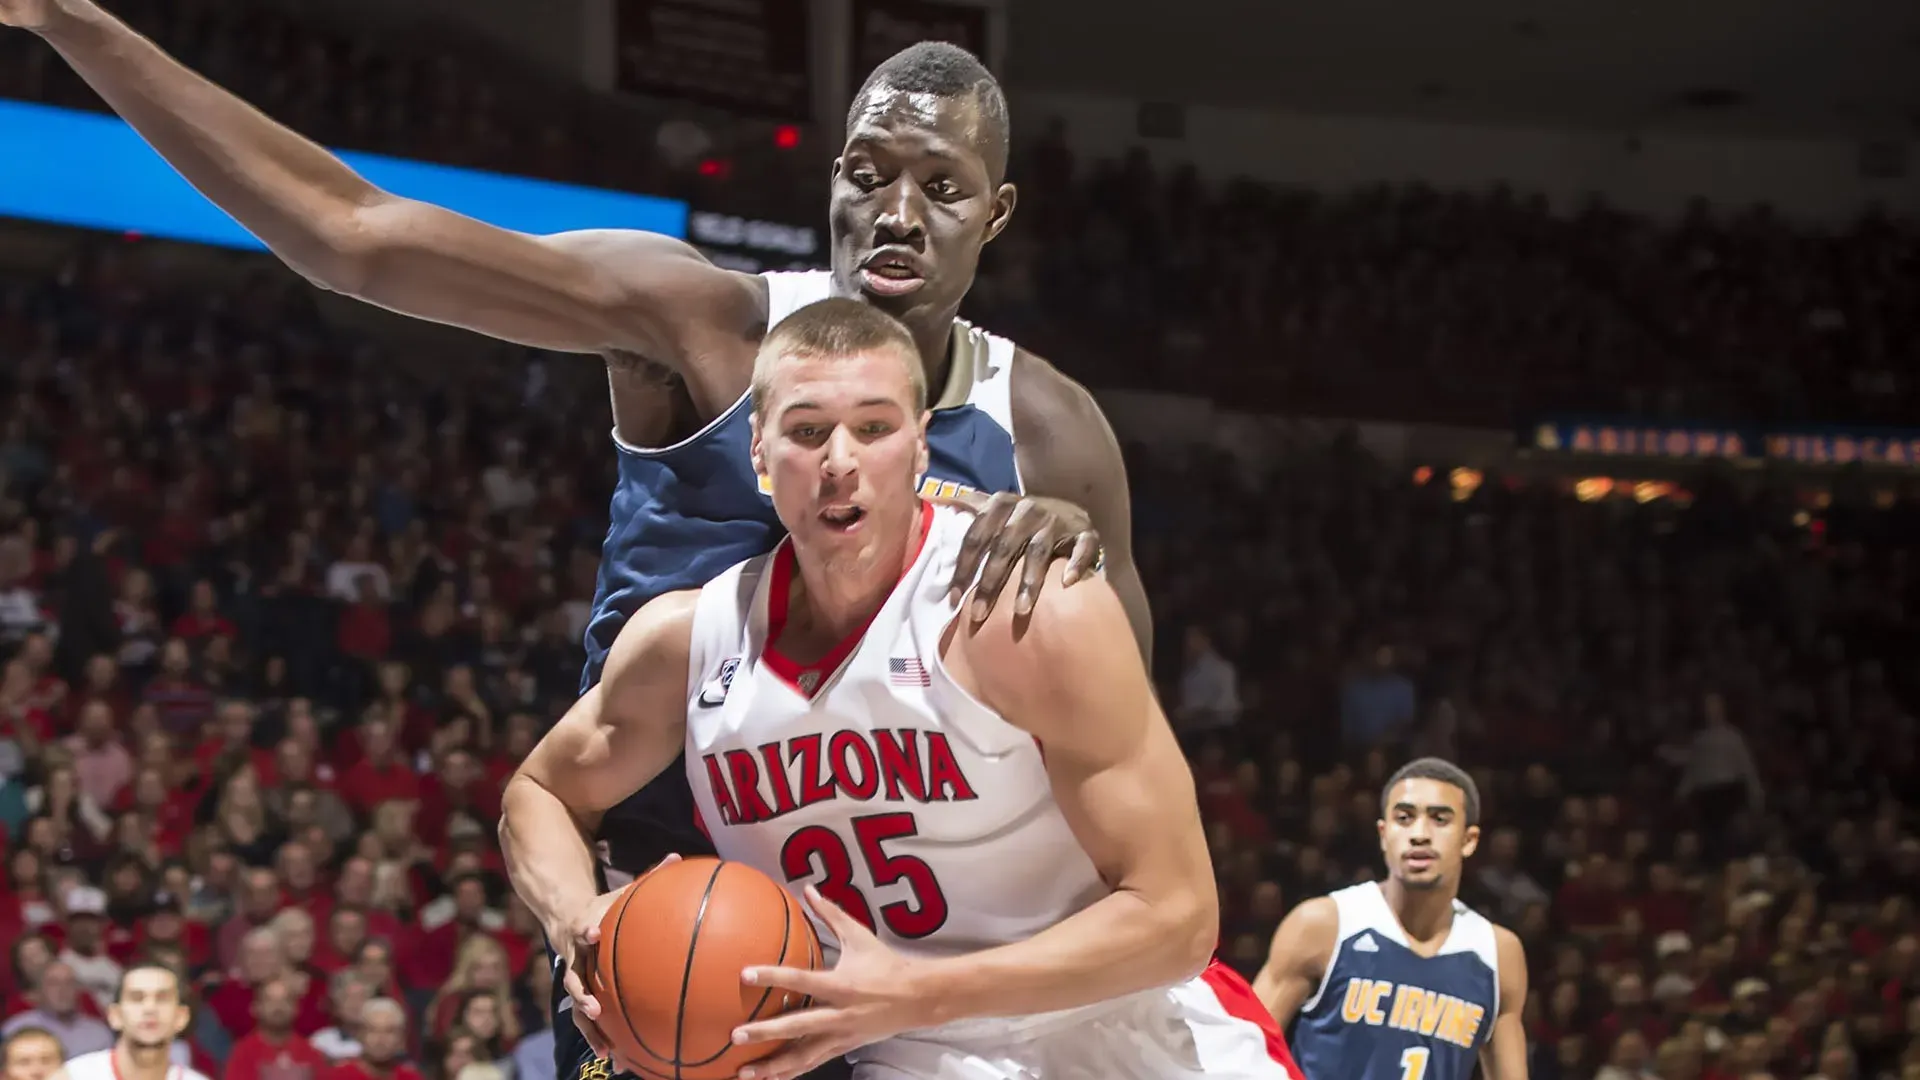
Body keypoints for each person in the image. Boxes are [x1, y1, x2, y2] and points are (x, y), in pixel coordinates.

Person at [0, 15, 1148, 1072]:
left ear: (995, 212)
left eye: (941, 186)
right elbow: (356, 236)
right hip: (665, 924)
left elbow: (1122, 762)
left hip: (902, 963)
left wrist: (1073, 563)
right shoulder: (700, 322)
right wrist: (72, 21)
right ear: (831, 178)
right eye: (868, 173)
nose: (897, 213)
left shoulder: (1048, 433)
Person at [501, 300, 1298, 1080]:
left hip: (1109, 1029)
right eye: (808, 431)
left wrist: (918, 994)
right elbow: (539, 791)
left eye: (874, 429)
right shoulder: (687, 642)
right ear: (758, 452)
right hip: (883, 1051)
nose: (839, 461)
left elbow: (1178, 918)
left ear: (921, 449)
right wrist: (580, 921)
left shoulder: (1021, 613)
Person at [1251, 759, 1530, 1080]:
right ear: (1384, 834)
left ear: (1469, 840)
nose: (1420, 834)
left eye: (1440, 819)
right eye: (1404, 818)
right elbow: (1239, 1049)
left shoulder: (1498, 953)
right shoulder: (1323, 925)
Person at [48, 966, 212, 1080]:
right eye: (137, 998)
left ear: (181, 1017)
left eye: (162, 999)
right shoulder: (74, 1076)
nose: (150, 1008)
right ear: (115, 1015)